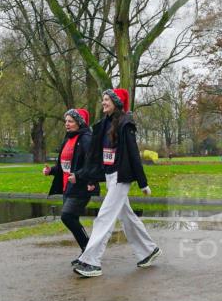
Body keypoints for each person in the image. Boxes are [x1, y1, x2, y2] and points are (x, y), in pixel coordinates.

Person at [73, 88, 160, 278]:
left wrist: (143, 183)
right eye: (103, 99)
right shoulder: (104, 124)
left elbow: (133, 154)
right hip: (111, 176)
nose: (103, 102)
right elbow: (97, 155)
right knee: (127, 217)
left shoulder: (125, 124)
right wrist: (90, 177)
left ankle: (91, 261)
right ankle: (149, 250)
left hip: (122, 177)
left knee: (104, 217)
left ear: (116, 102)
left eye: (107, 99)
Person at [43, 108, 99, 264]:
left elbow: (93, 163)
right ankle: (86, 252)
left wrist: (87, 179)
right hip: (67, 186)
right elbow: (64, 166)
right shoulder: (68, 139)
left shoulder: (86, 138)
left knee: (67, 216)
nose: (67, 124)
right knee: (71, 218)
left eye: (70, 121)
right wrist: (51, 171)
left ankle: (88, 250)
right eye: (66, 121)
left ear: (79, 123)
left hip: (81, 186)